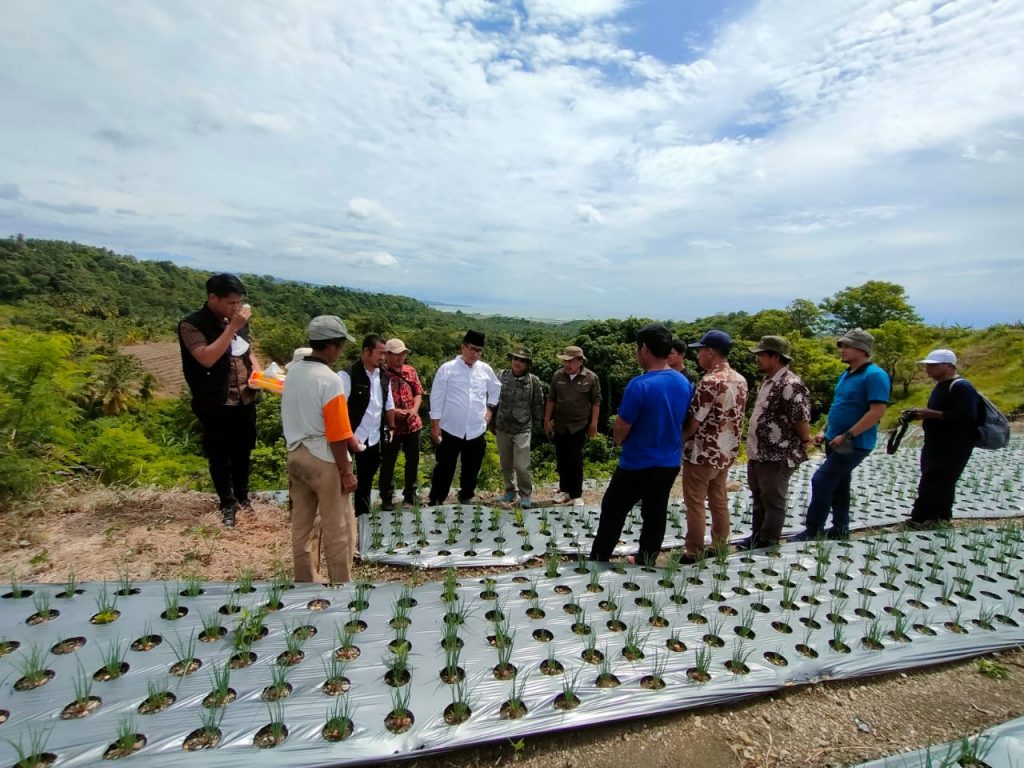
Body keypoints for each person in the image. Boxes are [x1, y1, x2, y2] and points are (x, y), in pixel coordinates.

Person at [591, 325, 693, 565]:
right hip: (669, 461)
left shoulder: (640, 385)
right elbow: (685, 420)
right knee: (655, 510)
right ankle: (647, 557)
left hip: (637, 462)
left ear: (644, 349)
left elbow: (621, 428)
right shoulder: (683, 382)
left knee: (614, 509)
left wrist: (619, 439)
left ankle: (599, 559)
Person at [178, 273, 262, 528]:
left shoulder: (238, 322)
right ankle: (227, 503)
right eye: (230, 303)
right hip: (215, 401)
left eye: (238, 303)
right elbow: (205, 357)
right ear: (212, 297)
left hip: (244, 399)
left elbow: (248, 352)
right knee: (219, 453)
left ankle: (243, 497)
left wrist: (258, 374)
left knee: (243, 450)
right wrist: (231, 328)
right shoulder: (192, 325)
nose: (235, 308)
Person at [281, 316, 359, 583]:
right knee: (337, 526)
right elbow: (337, 435)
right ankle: (341, 584)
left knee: (302, 525)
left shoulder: (293, 372)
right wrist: (346, 472)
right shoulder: (330, 380)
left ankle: (305, 581)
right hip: (322, 458)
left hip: (295, 453)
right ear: (333, 346)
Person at [793, 328, 890, 541]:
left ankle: (813, 530)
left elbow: (877, 412)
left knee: (821, 480)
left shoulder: (875, 375)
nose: (842, 350)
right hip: (836, 440)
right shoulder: (846, 374)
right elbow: (839, 406)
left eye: (847, 346)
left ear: (862, 350)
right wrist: (824, 431)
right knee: (839, 485)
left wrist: (848, 435)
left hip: (855, 442)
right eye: (842, 346)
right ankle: (840, 528)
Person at [681, 330, 748, 562]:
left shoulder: (710, 382)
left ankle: (694, 551)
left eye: (700, 351)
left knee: (695, 502)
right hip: (726, 451)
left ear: (710, 352)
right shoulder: (740, 379)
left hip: (703, 453)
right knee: (718, 498)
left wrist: (679, 442)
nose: (698, 356)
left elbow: (694, 422)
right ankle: (719, 545)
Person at [744, 336, 812, 548]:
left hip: (777, 453)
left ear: (776, 357)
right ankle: (757, 536)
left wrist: (805, 440)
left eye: (762, 355)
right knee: (759, 498)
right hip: (759, 452)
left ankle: (768, 540)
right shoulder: (768, 381)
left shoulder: (790, 384)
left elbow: (800, 418)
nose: (758, 359)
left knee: (773, 500)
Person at [904, 349, 979, 528]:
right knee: (938, 481)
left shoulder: (961, 386)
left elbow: (967, 417)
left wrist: (931, 413)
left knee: (934, 481)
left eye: (933, 365)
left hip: (953, 445)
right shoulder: (941, 386)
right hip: (935, 443)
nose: (928, 369)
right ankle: (940, 519)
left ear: (948, 366)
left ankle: (920, 519)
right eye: (927, 365)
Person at [426, 330, 502, 506]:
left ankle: (466, 495)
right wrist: (435, 426)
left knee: (472, 467)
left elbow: (495, 388)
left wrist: (490, 409)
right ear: (463, 347)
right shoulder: (447, 369)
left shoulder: (485, 369)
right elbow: (436, 398)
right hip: (451, 427)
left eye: (479, 351)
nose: (475, 354)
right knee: (445, 467)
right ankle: (436, 499)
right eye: (472, 349)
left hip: (476, 428)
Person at [339, 335, 395, 518]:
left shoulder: (384, 376)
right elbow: (339, 411)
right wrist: (348, 435)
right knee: (341, 478)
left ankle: (361, 517)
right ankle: (340, 517)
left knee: (366, 479)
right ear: (366, 351)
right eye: (380, 353)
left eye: (385, 354)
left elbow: (388, 404)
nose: (383, 358)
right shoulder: (347, 375)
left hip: (373, 436)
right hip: (350, 436)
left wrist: (391, 426)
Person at [545, 345, 602, 507]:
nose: (567, 365)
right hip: (560, 424)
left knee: (575, 458)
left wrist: (594, 423)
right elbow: (551, 399)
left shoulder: (591, 378)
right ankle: (564, 490)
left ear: (580, 361)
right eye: (565, 361)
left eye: (570, 361)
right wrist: (547, 420)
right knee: (562, 458)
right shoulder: (558, 375)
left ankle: (576, 494)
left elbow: (596, 402)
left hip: (579, 424)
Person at [493, 348, 545, 508]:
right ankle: (510, 491)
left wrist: (537, 427)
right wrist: (491, 423)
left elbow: (538, 405)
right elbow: (492, 399)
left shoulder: (533, 381)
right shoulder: (500, 376)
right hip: (502, 426)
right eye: (515, 358)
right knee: (506, 464)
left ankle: (525, 493)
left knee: (522, 466)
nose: (517, 362)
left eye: (522, 360)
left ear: (528, 364)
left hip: (523, 428)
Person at [378, 338, 423, 511]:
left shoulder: (410, 371)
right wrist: (393, 412)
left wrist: (414, 410)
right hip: (392, 426)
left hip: (412, 424)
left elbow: (418, 392)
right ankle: (387, 497)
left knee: (413, 460)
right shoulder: (380, 374)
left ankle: (411, 494)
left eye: (402, 354)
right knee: (388, 461)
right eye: (396, 354)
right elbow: (377, 401)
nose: (400, 358)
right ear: (387, 355)